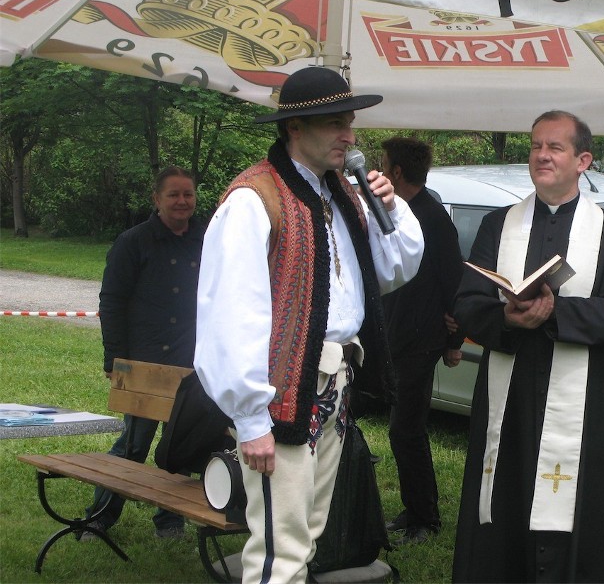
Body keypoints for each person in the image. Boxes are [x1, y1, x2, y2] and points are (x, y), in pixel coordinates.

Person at [193, 66, 424, 584]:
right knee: (280, 548)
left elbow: (394, 268)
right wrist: (252, 418)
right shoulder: (255, 200)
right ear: (295, 128)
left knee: (307, 534)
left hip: (333, 387)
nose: (350, 135)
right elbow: (230, 316)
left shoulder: (342, 194)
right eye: (335, 124)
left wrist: (392, 206)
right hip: (284, 393)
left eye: (350, 122)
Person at [451, 110, 604, 583]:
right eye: (536, 146)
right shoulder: (499, 225)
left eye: (555, 147)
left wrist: (555, 311)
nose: (541, 155)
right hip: (509, 392)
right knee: (504, 498)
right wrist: (507, 317)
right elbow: (469, 302)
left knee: (579, 504)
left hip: (584, 397)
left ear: (583, 160)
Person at [83, 166, 204, 540]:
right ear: (156, 199)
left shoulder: (207, 237)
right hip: (145, 360)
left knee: (179, 446)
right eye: (173, 195)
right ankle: (99, 517)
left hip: (192, 359)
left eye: (188, 194)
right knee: (133, 444)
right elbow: (112, 301)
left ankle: (169, 518)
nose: (182, 201)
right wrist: (113, 359)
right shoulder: (133, 242)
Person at [379, 137, 465, 546]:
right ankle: (414, 510)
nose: (378, 170)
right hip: (395, 336)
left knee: (405, 429)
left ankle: (424, 518)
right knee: (401, 428)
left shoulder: (432, 217)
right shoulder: (397, 212)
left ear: (397, 172)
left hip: (420, 340)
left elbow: (455, 284)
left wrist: (454, 341)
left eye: (382, 164)